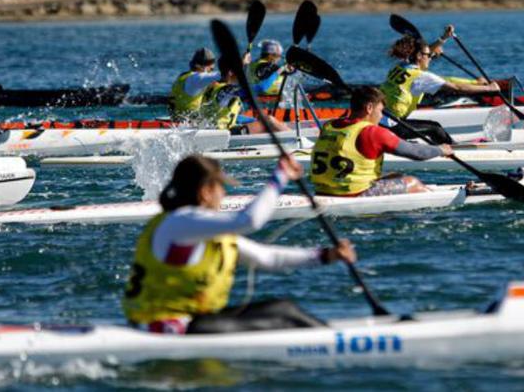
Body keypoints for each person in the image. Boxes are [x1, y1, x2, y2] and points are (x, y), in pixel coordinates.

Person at [123, 154, 357, 335]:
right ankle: (337, 342)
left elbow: (267, 258)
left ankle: (332, 337)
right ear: (206, 192)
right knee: (284, 318)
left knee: (282, 308)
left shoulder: (203, 228)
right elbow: (250, 220)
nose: (224, 194)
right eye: (221, 187)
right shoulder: (180, 222)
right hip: (162, 328)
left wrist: (328, 255)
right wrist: (280, 176)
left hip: (190, 321)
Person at [311, 86, 454, 197]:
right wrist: (441, 149)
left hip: (322, 191)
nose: (381, 117)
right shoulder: (372, 132)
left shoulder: (329, 126)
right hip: (353, 195)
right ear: (369, 108)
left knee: (396, 176)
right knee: (412, 182)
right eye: (381, 111)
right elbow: (417, 153)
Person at [379, 26, 500, 144]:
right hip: (393, 125)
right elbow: (457, 88)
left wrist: (443, 38)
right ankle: (452, 151)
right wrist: (488, 88)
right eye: (429, 56)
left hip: (381, 120)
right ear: (419, 56)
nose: (431, 57)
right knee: (434, 128)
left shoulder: (400, 67)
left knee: (431, 127)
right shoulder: (421, 77)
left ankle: (433, 149)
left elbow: (424, 51)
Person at [201, 55, 286, 133]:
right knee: (270, 120)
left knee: (266, 121)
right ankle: (295, 142)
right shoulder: (229, 90)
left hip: (216, 131)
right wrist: (278, 71)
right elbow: (261, 88)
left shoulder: (213, 86)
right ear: (230, 72)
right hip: (223, 135)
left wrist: (253, 120)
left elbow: (233, 117)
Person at [170, 48, 221, 120]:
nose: (210, 73)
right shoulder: (198, 79)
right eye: (211, 69)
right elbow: (225, 74)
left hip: (177, 119)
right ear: (204, 67)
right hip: (189, 123)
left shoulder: (184, 76)